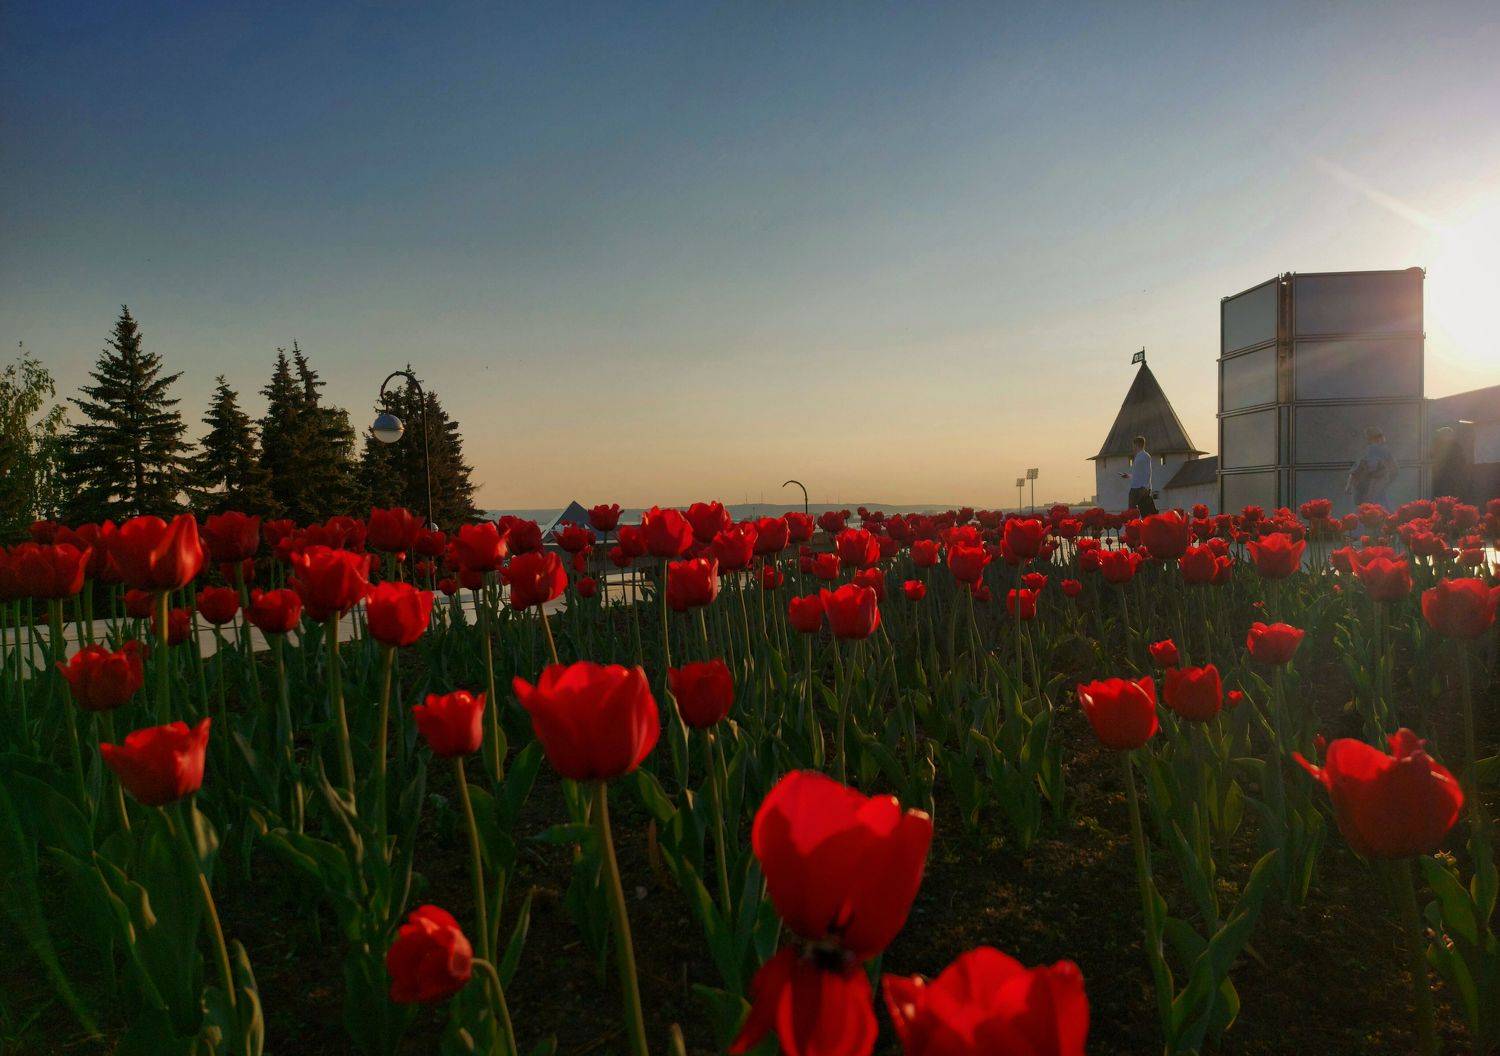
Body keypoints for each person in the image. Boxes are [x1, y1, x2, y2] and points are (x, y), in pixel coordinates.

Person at [1346, 427, 1397, 507]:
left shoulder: (1381, 451)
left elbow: (1392, 469)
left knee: (1377, 507)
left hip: (1375, 486)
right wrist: (1349, 485)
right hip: (1367, 487)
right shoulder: (1370, 451)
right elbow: (1356, 470)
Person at [1119, 435, 1158, 515]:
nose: (1133, 447)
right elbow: (1139, 474)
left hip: (1138, 488)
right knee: (1143, 510)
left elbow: (1147, 473)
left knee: (1132, 511)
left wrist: (1145, 487)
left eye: (1134, 445)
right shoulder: (1141, 456)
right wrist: (1129, 476)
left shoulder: (1143, 456)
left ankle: (1133, 524)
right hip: (1140, 487)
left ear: (1137, 444)